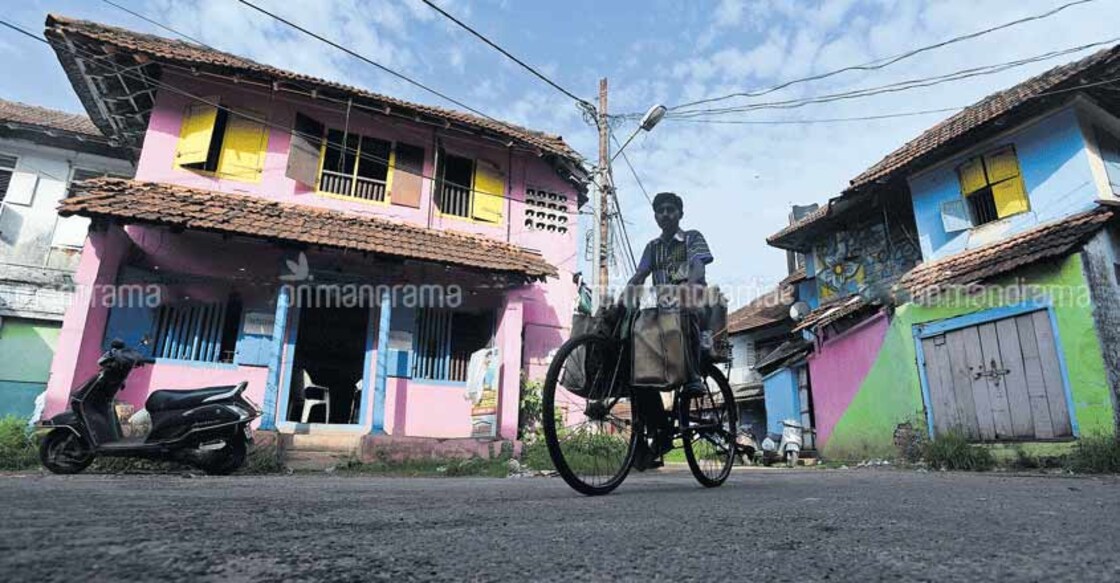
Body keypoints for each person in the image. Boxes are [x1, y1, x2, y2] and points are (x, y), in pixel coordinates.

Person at [620, 191, 714, 469]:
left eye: (670, 209)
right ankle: (659, 433)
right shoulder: (652, 247)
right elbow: (639, 276)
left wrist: (689, 286)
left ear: (680, 214)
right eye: (660, 210)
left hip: (694, 302)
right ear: (655, 216)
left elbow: (698, 267)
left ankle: (694, 373)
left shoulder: (692, 237)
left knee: (687, 303)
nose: (665, 214)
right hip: (663, 315)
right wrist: (623, 300)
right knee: (637, 365)